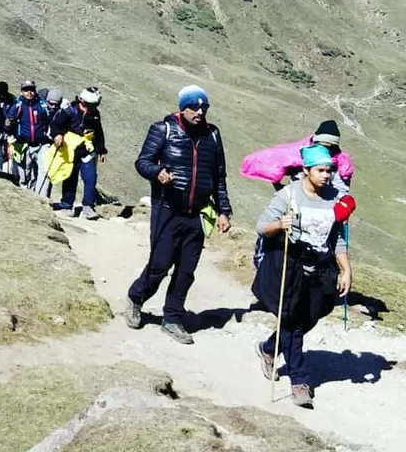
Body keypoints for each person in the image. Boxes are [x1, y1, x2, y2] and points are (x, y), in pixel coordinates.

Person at [125, 85, 232, 345]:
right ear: (182, 107)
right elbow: (143, 162)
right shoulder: (164, 129)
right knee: (160, 264)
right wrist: (157, 172)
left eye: (203, 107)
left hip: (196, 214)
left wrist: (224, 211)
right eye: (194, 107)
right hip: (167, 210)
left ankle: (172, 317)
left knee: (186, 270)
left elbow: (219, 177)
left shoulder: (213, 135)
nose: (199, 112)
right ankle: (136, 298)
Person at [252, 143, 355, 408]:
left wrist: (346, 269)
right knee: (293, 322)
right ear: (307, 170)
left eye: (330, 171)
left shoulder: (334, 198)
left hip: (321, 267)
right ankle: (299, 380)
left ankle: (268, 348)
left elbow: (337, 238)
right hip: (291, 263)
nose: (327, 175)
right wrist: (279, 224)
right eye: (321, 170)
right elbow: (262, 227)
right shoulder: (288, 195)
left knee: (312, 315)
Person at [241, 119, 354, 195]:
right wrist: (281, 189)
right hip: (294, 204)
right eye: (321, 146)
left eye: (328, 148)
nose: (324, 151)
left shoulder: (341, 164)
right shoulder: (299, 154)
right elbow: (274, 162)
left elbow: (341, 192)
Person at [50, 87, 108, 218]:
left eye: (94, 105)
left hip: (87, 150)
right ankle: (67, 205)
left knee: (91, 178)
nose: (90, 108)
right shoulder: (69, 110)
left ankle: (88, 207)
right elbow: (55, 124)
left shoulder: (94, 114)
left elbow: (98, 132)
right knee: (70, 177)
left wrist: (102, 150)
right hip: (70, 149)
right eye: (88, 105)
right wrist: (57, 135)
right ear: (81, 101)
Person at [6, 80, 52, 189]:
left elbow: (49, 119)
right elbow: (9, 120)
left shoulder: (41, 104)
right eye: (26, 90)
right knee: (24, 174)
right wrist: (10, 130)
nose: (29, 92)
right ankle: (25, 196)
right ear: (22, 92)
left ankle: (38, 197)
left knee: (41, 172)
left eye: (31, 90)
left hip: (41, 144)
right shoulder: (18, 104)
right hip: (23, 145)